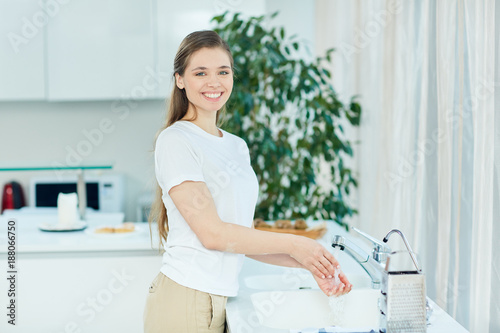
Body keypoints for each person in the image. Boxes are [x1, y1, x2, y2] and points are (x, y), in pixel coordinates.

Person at [144, 30, 352, 333]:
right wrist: (297, 243)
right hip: (184, 298)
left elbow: (241, 237)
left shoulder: (236, 146)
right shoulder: (176, 140)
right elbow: (213, 234)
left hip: (219, 299)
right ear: (180, 79)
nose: (214, 82)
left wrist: (310, 263)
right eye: (200, 73)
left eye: (223, 72)